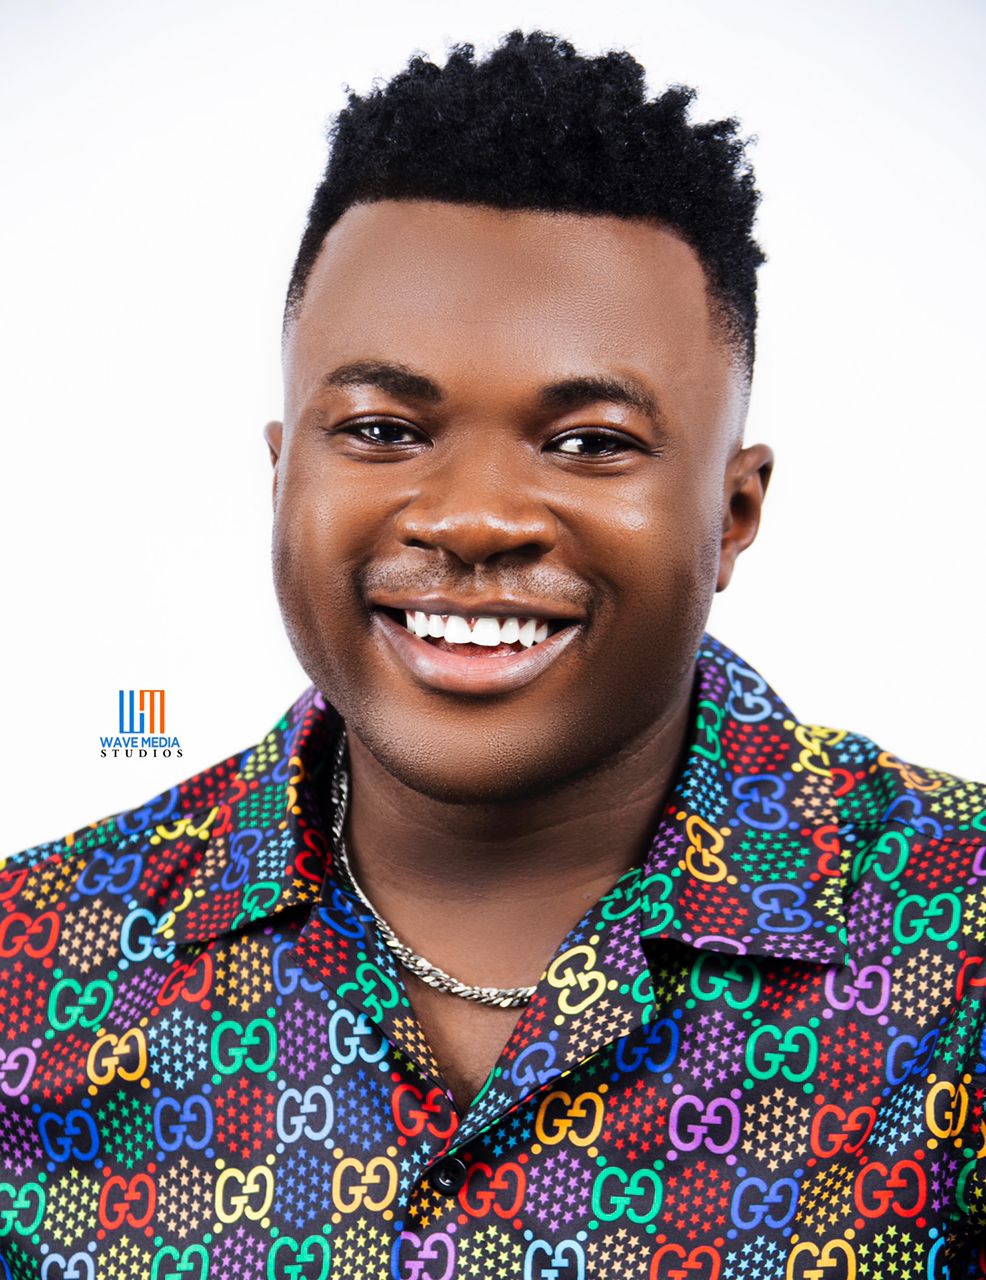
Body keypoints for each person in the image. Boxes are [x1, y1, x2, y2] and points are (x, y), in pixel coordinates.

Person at [1, 29, 983, 1280]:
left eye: (588, 443)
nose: (472, 519)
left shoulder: (959, 942)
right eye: (381, 429)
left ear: (731, 513)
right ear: (280, 476)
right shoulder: (33, 965)